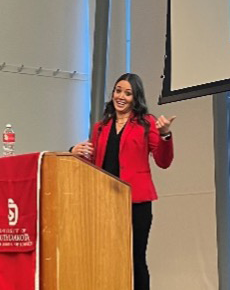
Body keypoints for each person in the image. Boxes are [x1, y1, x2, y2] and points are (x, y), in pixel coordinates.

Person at [71, 73, 175, 290]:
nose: (121, 96)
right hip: (105, 202)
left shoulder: (147, 123)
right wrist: (74, 151)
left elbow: (163, 162)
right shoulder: (100, 127)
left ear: (136, 98)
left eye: (128, 93)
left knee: (136, 258)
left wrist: (165, 135)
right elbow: (93, 160)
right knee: (107, 256)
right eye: (118, 91)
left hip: (136, 202)